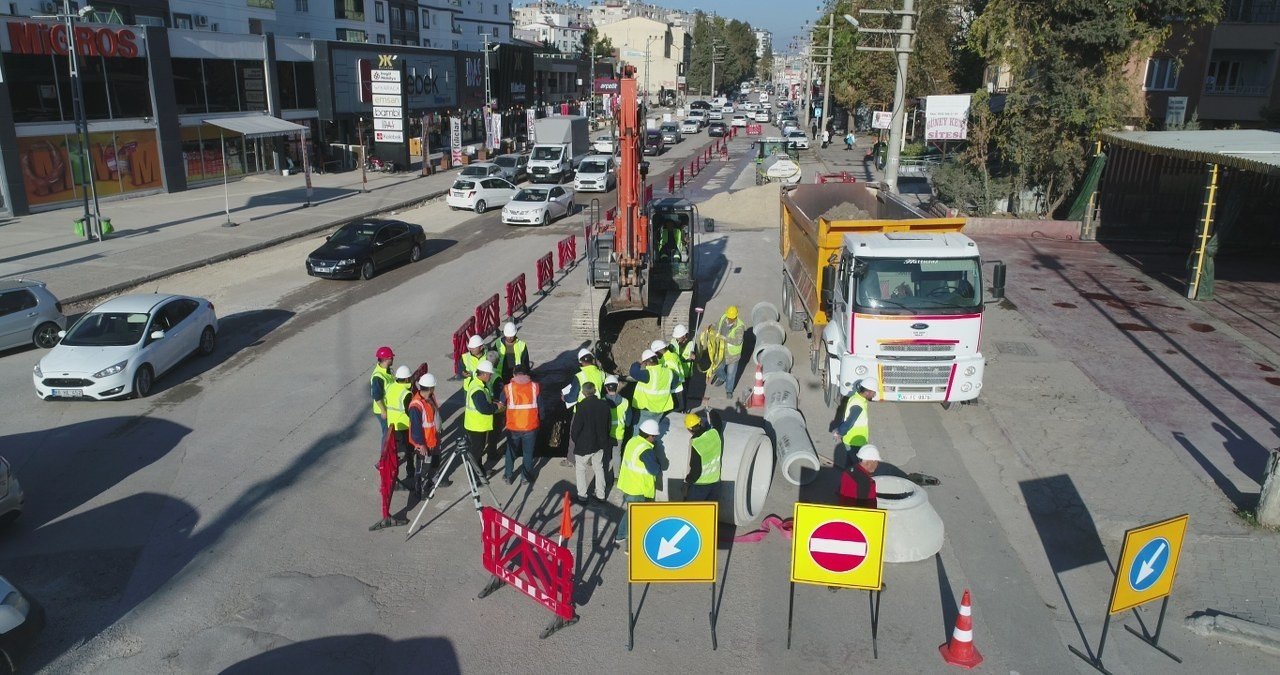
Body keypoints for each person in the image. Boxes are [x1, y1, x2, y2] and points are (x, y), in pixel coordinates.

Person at [615, 419, 664, 547]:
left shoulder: (633, 440)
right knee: (637, 519)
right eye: (655, 436)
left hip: (628, 484)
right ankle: (632, 548)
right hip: (638, 488)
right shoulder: (646, 450)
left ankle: (620, 535)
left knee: (630, 513)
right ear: (650, 436)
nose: (656, 438)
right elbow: (654, 470)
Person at [561, 348, 607, 465]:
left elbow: (572, 397)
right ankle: (591, 459)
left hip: (582, 410)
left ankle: (571, 460)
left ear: (580, 362)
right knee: (594, 433)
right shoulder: (602, 374)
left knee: (575, 434)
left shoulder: (579, 376)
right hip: (597, 409)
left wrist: (564, 398)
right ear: (592, 360)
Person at [569, 382, 611, 505]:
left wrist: (576, 440)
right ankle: (600, 495)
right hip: (600, 443)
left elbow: (576, 428)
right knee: (599, 468)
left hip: (584, 444)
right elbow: (608, 425)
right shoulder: (604, 405)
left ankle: (582, 496)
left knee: (581, 469)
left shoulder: (581, 406)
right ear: (595, 390)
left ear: (583, 392)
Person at [408, 371, 451, 488]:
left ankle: (433, 479)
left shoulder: (430, 397)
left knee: (435, 461)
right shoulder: (416, 405)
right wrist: (421, 444)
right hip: (425, 443)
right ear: (431, 388)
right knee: (423, 468)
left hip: (433, 439)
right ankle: (420, 489)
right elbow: (416, 428)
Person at [501, 364, 540, 485]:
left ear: (514, 374)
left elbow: (501, 402)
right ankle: (525, 478)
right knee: (528, 453)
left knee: (510, 452)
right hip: (530, 426)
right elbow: (540, 404)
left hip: (513, 426)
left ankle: (508, 476)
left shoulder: (508, 388)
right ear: (527, 374)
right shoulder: (535, 387)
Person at [464, 360, 505, 474]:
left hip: (476, 424)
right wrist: (496, 407)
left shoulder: (478, 384)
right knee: (476, 451)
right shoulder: (478, 390)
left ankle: (480, 470)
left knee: (479, 449)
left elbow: (484, 402)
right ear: (484, 374)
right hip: (476, 426)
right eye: (490, 374)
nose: (491, 376)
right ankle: (474, 475)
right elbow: (484, 409)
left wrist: (493, 401)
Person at [630, 348, 678, 428]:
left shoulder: (648, 374)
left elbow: (633, 372)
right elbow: (675, 381)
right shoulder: (669, 372)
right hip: (661, 408)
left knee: (640, 431)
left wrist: (638, 362)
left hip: (647, 409)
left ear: (646, 363)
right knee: (652, 429)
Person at [836, 376, 877, 468]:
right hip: (854, 441)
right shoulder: (858, 404)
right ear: (867, 392)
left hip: (854, 440)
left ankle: (847, 478)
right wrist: (840, 432)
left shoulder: (857, 398)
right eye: (873, 393)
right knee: (856, 466)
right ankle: (851, 480)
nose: (874, 395)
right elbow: (849, 422)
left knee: (850, 464)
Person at [684, 412, 721, 502]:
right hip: (715, 482)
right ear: (700, 422)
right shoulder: (714, 433)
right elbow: (718, 422)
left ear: (689, 429)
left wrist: (688, 480)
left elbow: (695, 469)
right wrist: (711, 411)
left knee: (690, 510)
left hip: (700, 484)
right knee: (709, 512)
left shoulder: (696, 444)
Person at [711, 306, 745, 398]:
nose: (729, 319)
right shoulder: (723, 317)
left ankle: (729, 390)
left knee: (731, 374)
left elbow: (738, 341)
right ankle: (722, 377)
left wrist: (725, 338)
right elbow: (717, 324)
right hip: (721, 352)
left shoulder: (739, 327)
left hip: (732, 356)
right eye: (728, 317)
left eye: (731, 318)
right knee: (717, 368)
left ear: (735, 317)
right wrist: (712, 326)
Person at [603, 374, 631, 474]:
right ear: (617, 385)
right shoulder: (625, 402)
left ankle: (604, 474)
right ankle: (616, 476)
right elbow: (628, 421)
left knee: (605, 455)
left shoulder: (602, 402)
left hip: (605, 434)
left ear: (606, 387)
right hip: (619, 433)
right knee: (616, 455)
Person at [838, 444, 880, 508]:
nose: (877, 464)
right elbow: (869, 506)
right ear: (870, 462)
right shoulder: (866, 482)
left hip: (843, 509)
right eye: (877, 461)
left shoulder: (849, 471)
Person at [370, 346, 396, 436]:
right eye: (391, 357)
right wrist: (383, 411)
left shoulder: (386, 370)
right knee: (387, 434)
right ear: (386, 359)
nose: (393, 359)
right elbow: (377, 397)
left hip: (389, 407)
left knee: (391, 432)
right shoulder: (378, 377)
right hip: (382, 409)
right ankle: (384, 450)